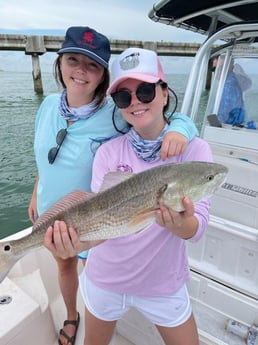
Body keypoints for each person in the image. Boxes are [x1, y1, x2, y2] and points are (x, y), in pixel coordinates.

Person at [28, 27, 199, 345]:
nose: (80, 70)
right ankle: (70, 314)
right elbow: (44, 152)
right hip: (48, 207)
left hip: (91, 215)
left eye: (92, 64)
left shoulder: (115, 113)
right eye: (73, 60)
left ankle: (84, 311)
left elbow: (155, 116)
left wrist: (182, 128)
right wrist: (36, 189)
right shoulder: (48, 105)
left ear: (103, 74)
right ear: (60, 63)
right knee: (60, 266)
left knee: (75, 264)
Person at [212, 55, 252, 125]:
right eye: (214, 69)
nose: (216, 72)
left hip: (228, 124)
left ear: (229, 67)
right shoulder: (227, 81)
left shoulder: (229, 84)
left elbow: (224, 111)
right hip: (234, 122)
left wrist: (213, 122)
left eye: (220, 68)